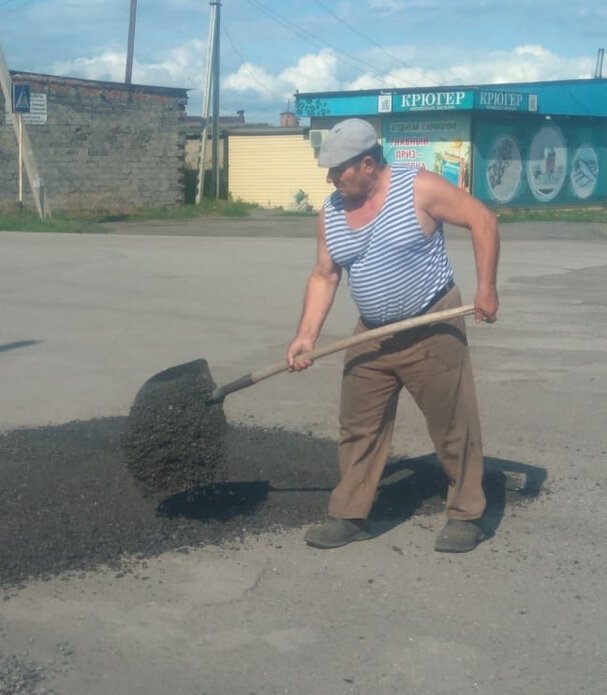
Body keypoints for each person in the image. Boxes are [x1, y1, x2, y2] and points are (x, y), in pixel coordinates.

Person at [286, 118, 499, 553]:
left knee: (453, 426)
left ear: (368, 163)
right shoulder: (331, 211)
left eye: (337, 170)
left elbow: (483, 220)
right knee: (358, 426)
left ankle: (466, 513)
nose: (329, 179)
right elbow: (325, 274)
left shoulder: (419, 188)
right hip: (372, 333)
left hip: (431, 325)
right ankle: (350, 514)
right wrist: (306, 336)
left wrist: (486, 289)